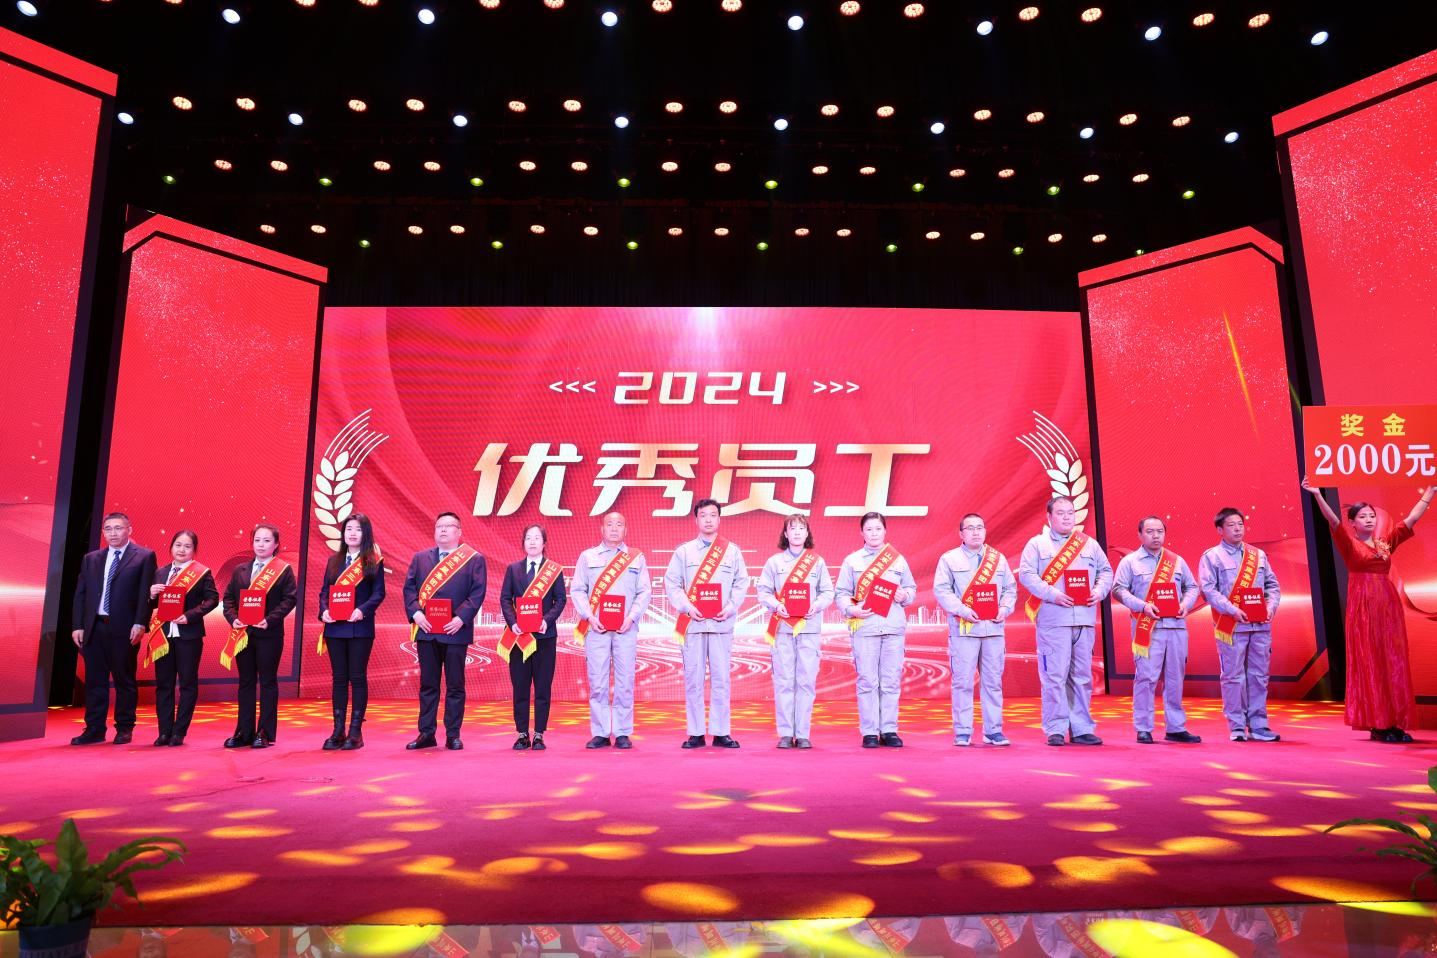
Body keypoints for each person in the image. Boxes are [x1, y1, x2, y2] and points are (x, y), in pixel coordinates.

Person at [1303, 478, 1433, 742]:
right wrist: (1317, 495)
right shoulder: (1349, 543)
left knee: (1393, 662)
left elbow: (1411, 519)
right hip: (1363, 608)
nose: (1369, 520)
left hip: (1388, 608)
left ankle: (1395, 721)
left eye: (1372, 515)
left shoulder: (1384, 544)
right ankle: (1379, 723)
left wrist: (1430, 491)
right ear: (1353, 522)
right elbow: (1333, 522)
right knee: (1372, 662)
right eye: (1362, 516)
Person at [1018, 496, 1112, 747]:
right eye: (1060, 513)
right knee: (1054, 677)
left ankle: (1081, 728)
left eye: (1070, 512)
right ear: (1049, 517)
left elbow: (1106, 571)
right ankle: (1055, 728)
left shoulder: (1089, 544)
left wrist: (1099, 591)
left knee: (1082, 676)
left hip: (1084, 620)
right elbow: (1027, 575)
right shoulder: (1037, 544)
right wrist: (1052, 594)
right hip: (1053, 620)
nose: (1067, 517)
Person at [664, 498, 750, 749]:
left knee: (722, 679)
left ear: (719, 519)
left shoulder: (732, 551)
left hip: (721, 624)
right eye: (703, 515)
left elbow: (741, 583)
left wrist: (731, 607)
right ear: (696, 520)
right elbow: (672, 583)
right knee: (694, 679)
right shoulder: (684, 552)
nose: (709, 520)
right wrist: (687, 607)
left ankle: (721, 732)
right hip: (693, 624)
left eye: (713, 515)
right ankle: (696, 733)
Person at [1111, 517, 1202, 745]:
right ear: (1140, 535)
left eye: (1160, 531)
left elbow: (1192, 587)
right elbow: (1118, 590)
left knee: (1175, 678)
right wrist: (1142, 606)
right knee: (1146, 678)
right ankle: (1143, 728)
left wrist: (1185, 604)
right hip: (1147, 628)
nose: (1155, 536)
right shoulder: (1130, 562)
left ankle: (1176, 727)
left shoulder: (1177, 561)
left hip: (1176, 627)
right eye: (1150, 531)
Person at [70, 512, 157, 745]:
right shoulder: (91, 559)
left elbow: (145, 594)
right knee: (95, 681)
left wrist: (140, 622)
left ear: (129, 529)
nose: (113, 533)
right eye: (108, 529)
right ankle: (94, 729)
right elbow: (81, 594)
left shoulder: (144, 556)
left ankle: (125, 727)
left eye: (118, 528)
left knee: (124, 680)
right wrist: (78, 625)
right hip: (94, 627)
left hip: (125, 629)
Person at [402, 512, 487, 751]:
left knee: (455, 685)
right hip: (427, 630)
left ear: (459, 532)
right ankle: (426, 733)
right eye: (439, 526)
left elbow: (477, 592)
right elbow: (409, 590)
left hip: (455, 631)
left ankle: (453, 734)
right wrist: (416, 614)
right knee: (428, 684)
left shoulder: (474, 559)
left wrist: (461, 618)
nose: (442, 530)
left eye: (448, 526)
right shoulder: (420, 558)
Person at [934, 512, 1017, 747]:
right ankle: (962, 731)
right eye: (970, 528)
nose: (976, 532)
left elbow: (1010, 589)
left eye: (980, 527)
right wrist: (961, 610)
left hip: (993, 629)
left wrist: (1005, 608)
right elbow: (942, 590)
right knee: (962, 682)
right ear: (961, 534)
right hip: (965, 629)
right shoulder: (949, 559)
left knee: (993, 682)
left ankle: (993, 731)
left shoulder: (997, 559)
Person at [1199, 507, 1282, 742]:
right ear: (1220, 530)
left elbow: (1273, 586)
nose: (1237, 529)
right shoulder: (1212, 556)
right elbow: (1208, 590)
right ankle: (1236, 725)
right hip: (1231, 625)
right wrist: (1232, 609)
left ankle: (1259, 725)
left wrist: (1270, 608)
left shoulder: (1258, 555)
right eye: (1231, 525)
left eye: (1240, 524)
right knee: (1233, 677)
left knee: (1259, 676)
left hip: (1260, 625)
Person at [836, 512, 917, 748]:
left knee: (890, 681)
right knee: (867, 681)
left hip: (893, 627)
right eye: (869, 529)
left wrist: (905, 596)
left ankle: (889, 729)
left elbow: (911, 588)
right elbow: (841, 593)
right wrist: (852, 610)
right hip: (865, 627)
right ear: (862, 533)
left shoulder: (897, 560)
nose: (874, 533)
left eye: (878, 529)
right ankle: (870, 731)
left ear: (885, 531)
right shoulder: (852, 561)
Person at [571, 511, 650, 749]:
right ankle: (601, 732)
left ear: (626, 530)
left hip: (626, 628)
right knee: (598, 682)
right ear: (602, 529)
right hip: (597, 629)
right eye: (609, 524)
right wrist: (589, 616)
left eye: (619, 524)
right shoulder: (588, 556)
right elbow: (578, 590)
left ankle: (623, 732)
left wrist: (632, 617)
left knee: (625, 681)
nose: (614, 528)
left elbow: (644, 591)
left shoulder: (636, 558)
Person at [756, 514, 835, 749]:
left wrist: (816, 605)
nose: (797, 532)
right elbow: (763, 591)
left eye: (802, 528)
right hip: (782, 628)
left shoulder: (817, 562)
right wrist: (776, 605)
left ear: (807, 533)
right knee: (784, 681)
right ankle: (785, 733)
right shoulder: (774, 562)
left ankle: (802, 733)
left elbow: (827, 592)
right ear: (786, 534)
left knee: (806, 681)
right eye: (793, 528)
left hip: (808, 629)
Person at [221, 524, 297, 749]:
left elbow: (289, 599)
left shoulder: (283, 570)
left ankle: (264, 732)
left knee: (267, 682)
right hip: (243, 634)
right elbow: (228, 598)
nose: (261, 545)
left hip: (269, 634)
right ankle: (244, 732)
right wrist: (233, 618)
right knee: (245, 682)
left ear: (276, 544)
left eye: (266, 541)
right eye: (257, 540)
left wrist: (270, 619)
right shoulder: (240, 570)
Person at [316, 513, 386, 751]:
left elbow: (379, 593)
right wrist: (324, 611)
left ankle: (355, 732)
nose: (353, 533)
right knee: (338, 678)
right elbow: (324, 592)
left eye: (358, 529)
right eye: (348, 529)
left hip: (360, 627)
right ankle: (338, 731)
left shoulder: (373, 560)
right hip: (335, 627)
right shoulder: (333, 561)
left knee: (357, 677)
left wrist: (362, 610)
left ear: (366, 534)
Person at [146, 529, 218, 747]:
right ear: (171, 547)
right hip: (163, 635)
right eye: (178, 545)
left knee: (187, 684)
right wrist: (151, 594)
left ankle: (179, 732)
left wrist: (190, 616)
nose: (182, 550)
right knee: (164, 684)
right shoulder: (160, 573)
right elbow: (151, 604)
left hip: (189, 635)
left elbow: (212, 600)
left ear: (194, 550)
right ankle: (164, 732)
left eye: (187, 546)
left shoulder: (202, 573)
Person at [500, 524, 568, 751]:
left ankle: (539, 734)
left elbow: (561, 600)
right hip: (519, 637)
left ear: (544, 543)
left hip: (544, 636)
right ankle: (522, 734)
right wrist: (513, 622)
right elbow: (505, 599)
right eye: (528, 538)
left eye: (537, 538)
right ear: (523, 543)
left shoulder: (554, 570)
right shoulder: (513, 569)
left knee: (542, 687)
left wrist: (546, 620)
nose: (532, 542)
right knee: (520, 687)